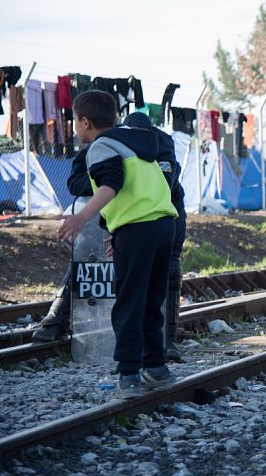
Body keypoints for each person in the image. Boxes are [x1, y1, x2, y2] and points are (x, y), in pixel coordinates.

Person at [58, 90, 179, 397]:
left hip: (139, 228)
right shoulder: (137, 143)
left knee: (129, 302)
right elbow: (140, 189)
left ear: (85, 122)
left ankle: (128, 375)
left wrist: (81, 218)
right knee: (152, 301)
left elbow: (112, 184)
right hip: (164, 225)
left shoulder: (101, 147)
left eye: (74, 120)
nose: (74, 125)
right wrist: (118, 230)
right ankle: (157, 368)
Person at [123, 112, 187, 363]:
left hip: (166, 214)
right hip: (130, 217)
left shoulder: (163, 145)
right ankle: (57, 319)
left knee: (169, 268)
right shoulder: (114, 142)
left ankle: (168, 340)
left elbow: (165, 181)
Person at [31, 143, 95, 341]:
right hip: (103, 219)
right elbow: (75, 184)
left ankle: (57, 318)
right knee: (83, 257)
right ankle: (58, 318)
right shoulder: (91, 150)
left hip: (134, 222)